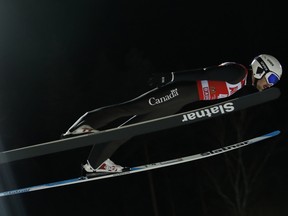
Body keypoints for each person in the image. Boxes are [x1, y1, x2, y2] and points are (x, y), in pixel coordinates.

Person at [61, 54, 283, 175]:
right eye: (271, 79)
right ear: (261, 69)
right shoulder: (239, 72)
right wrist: (171, 78)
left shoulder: (242, 82)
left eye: (275, 83)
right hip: (177, 92)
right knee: (130, 108)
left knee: (133, 128)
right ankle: (82, 125)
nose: (270, 85)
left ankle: (95, 163)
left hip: (180, 101)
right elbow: (204, 73)